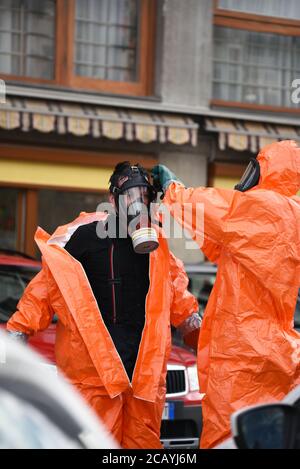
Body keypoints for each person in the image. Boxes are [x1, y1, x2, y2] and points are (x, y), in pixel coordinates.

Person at [7, 162, 200, 449]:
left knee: (143, 444)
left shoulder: (157, 244)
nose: (138, 203)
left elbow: (178, 294)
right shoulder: (85, 236)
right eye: (130, 196)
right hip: (94, 375)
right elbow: (48, 285)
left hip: (144, 378)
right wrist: (17, 333)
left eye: (144, 196)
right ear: (112, 200)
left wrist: (199, 333)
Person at [152, 140, 300, 448]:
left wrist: (173, 189)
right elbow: (222, 245)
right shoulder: (292, 216)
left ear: (267, 169)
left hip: (240, 349)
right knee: (260, 435)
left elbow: (208, 208)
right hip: (273, 349)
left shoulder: (262, 206)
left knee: (226, 433)